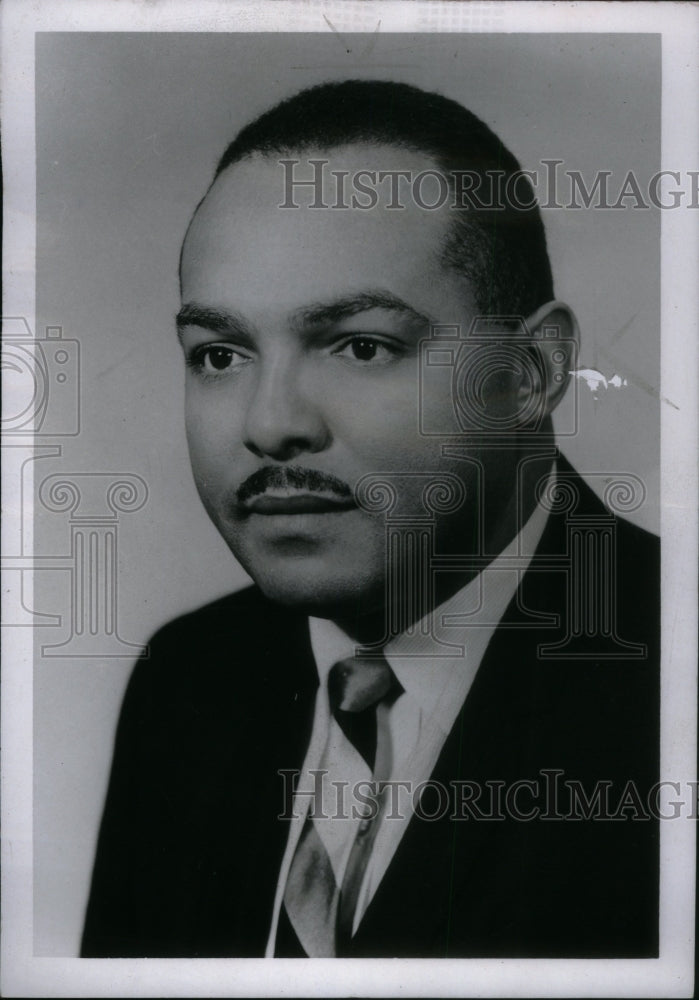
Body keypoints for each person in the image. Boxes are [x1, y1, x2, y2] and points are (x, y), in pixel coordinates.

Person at [81, 80, 659, 959]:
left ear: (530, 373)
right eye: (220, 354)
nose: (270, 423)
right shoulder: (188, 684)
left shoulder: (672, 681)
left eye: (360, 345)